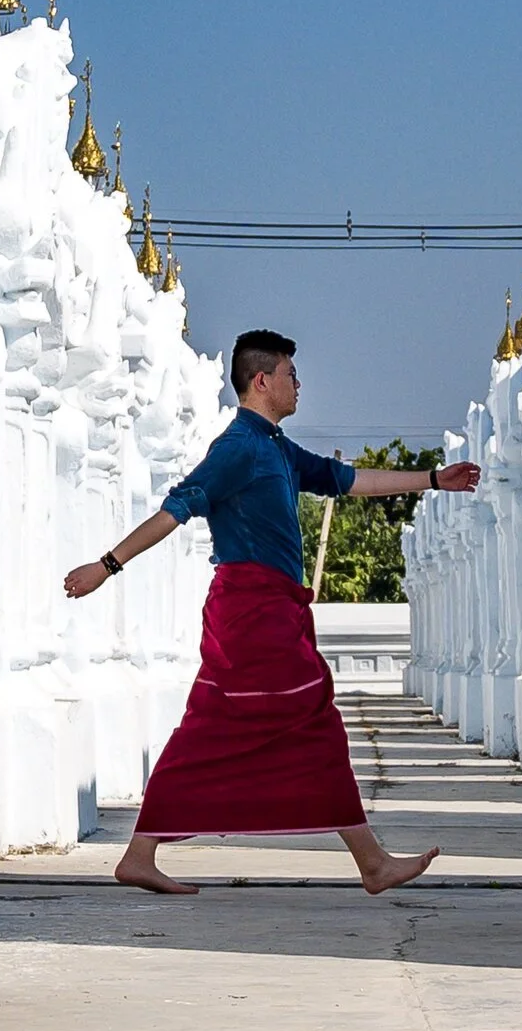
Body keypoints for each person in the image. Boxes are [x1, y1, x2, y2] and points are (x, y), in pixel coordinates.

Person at [63, 328, 480, 895]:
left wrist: (433, 480)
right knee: (314, 718)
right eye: (290, 374)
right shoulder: (237, 448)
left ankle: (140, 853)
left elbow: (348, 480)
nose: (298, 384)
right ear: (262, 380)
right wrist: (106, 565)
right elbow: (176, 510)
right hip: (251, 613)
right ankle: (372, 862)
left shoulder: (277, 448)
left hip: (270, 609)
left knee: (208, 727)